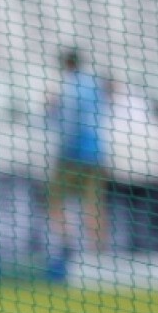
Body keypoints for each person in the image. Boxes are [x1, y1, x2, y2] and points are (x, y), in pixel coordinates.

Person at [45, 48, 109, 255]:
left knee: (55, 199)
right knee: (94, 203)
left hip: (71, 153)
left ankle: (67, 244)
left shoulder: (68, 88)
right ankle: (98, 251)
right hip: (95, 151)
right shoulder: (93, 85)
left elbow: (68, 123)